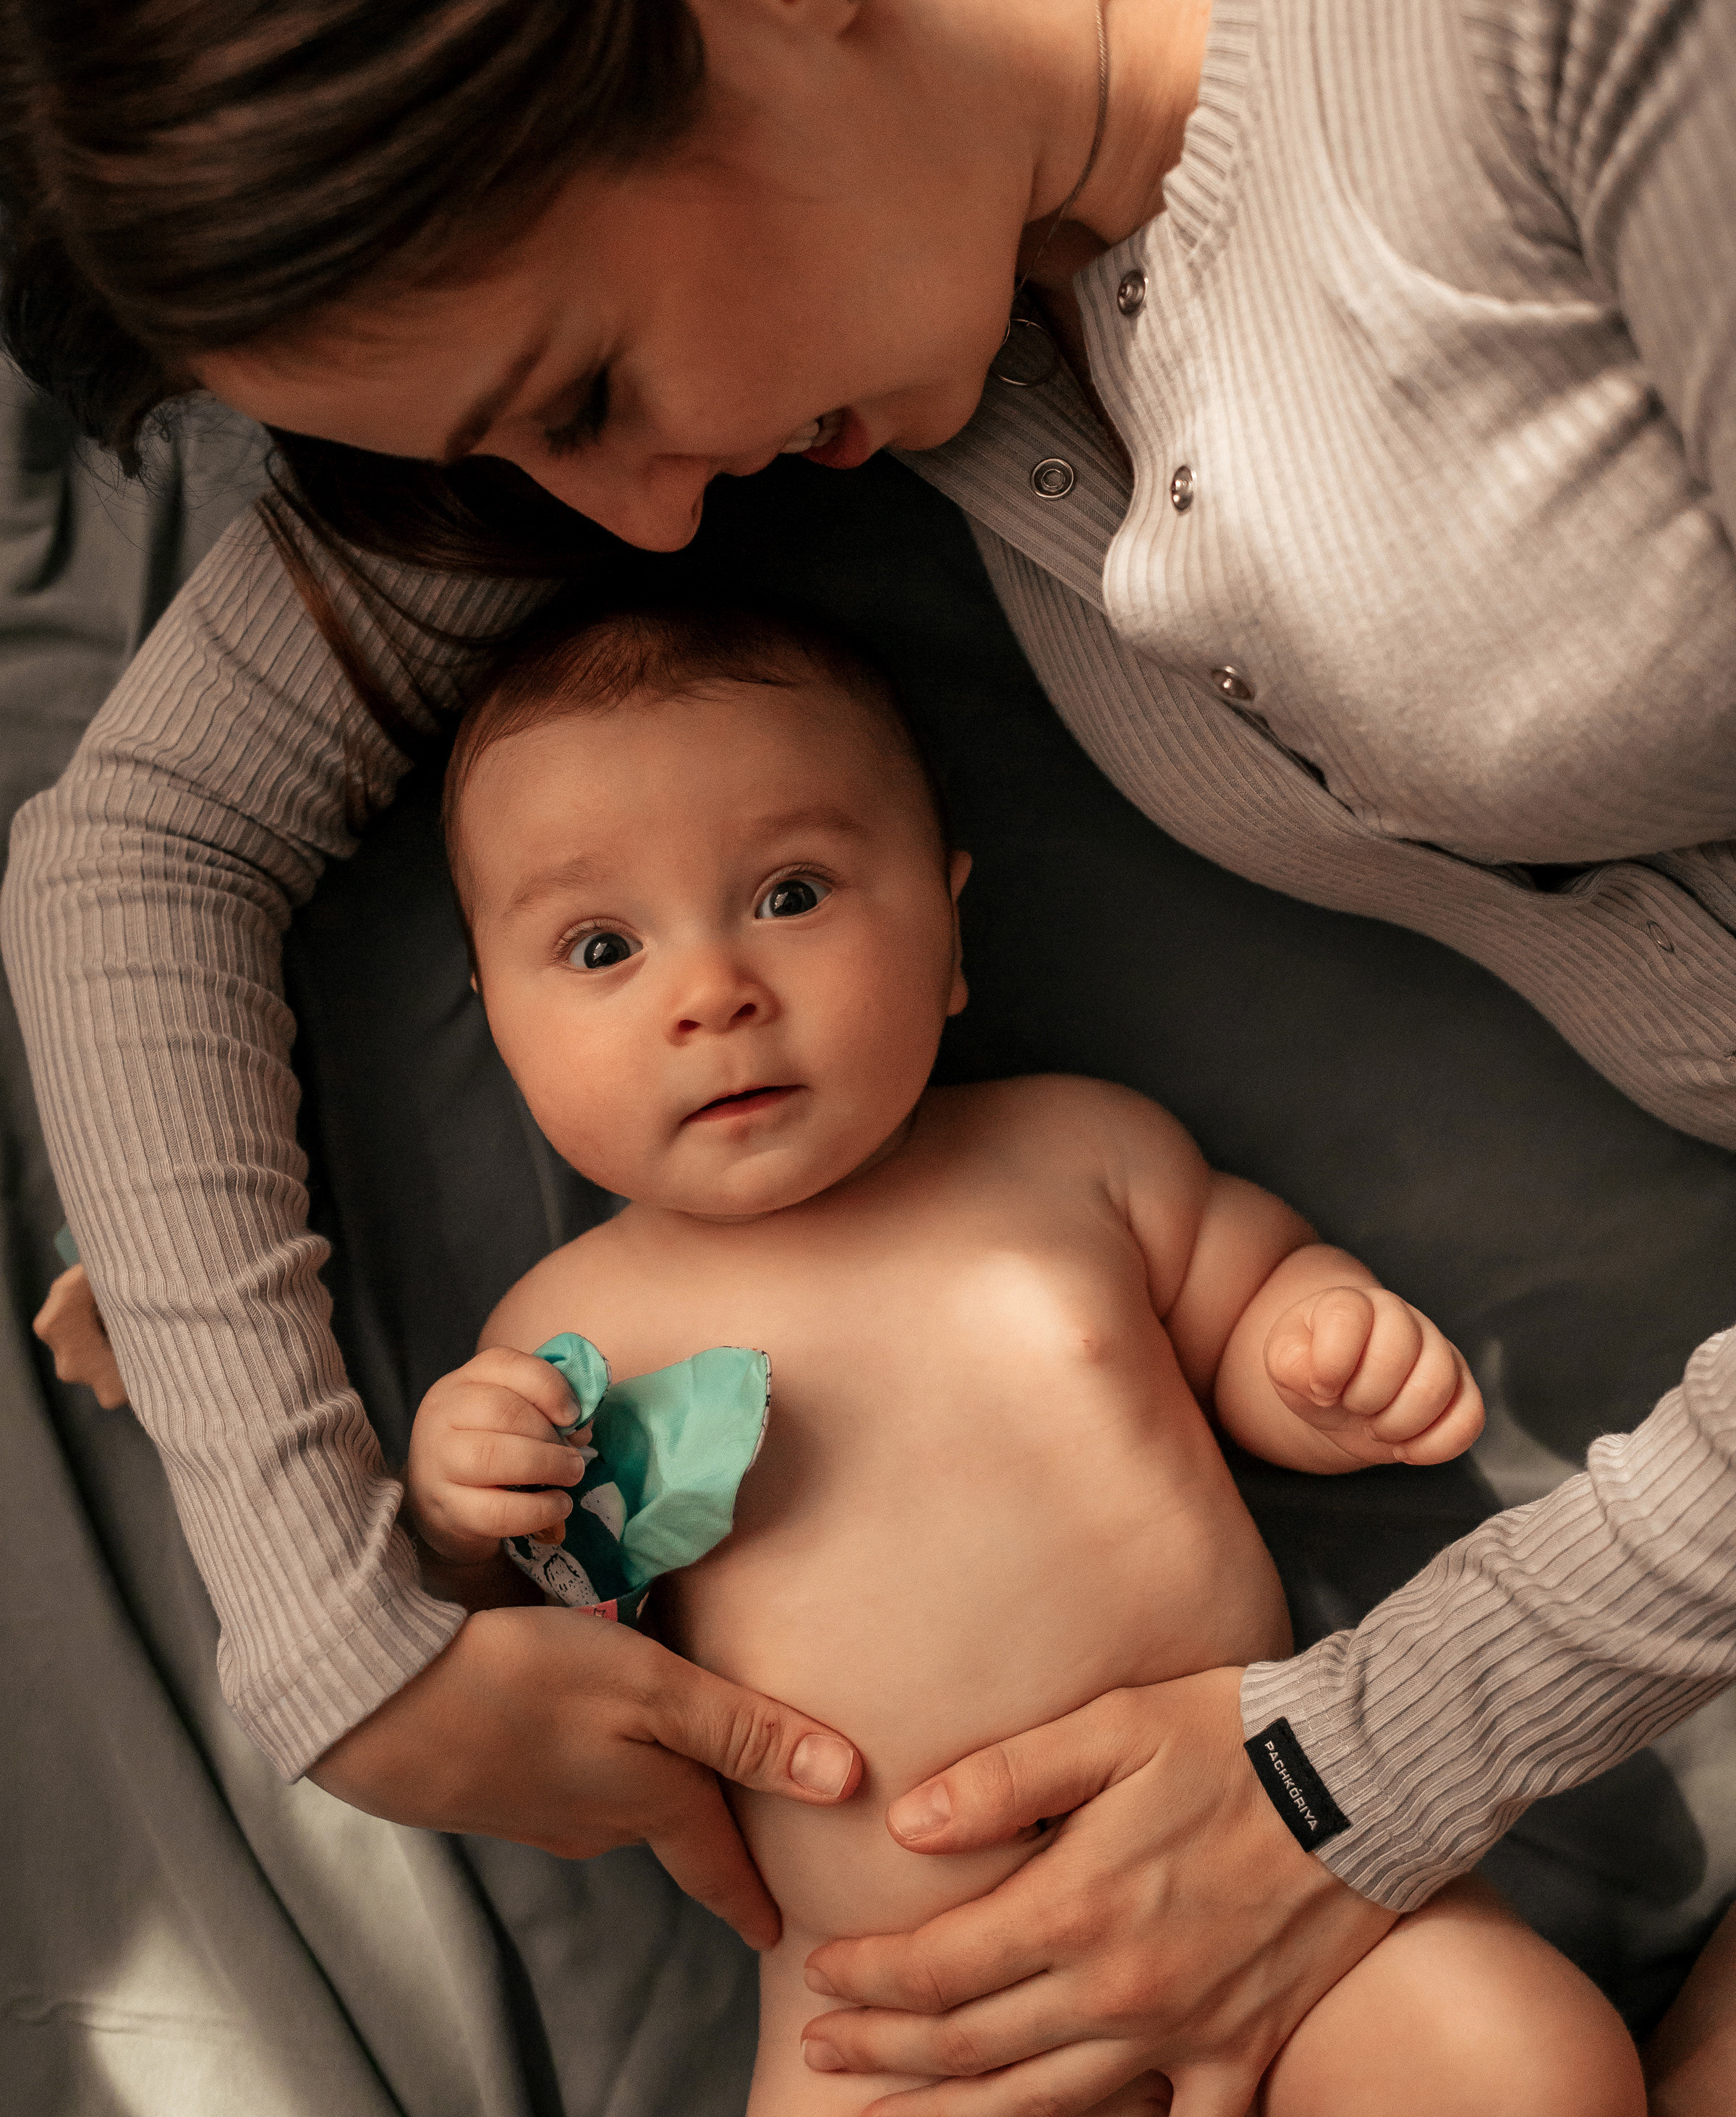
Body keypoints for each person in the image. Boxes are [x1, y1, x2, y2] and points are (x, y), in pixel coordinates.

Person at [4, 0, 1736, 2107]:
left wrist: (1358, 1759)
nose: (639, 525)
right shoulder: (899, 274)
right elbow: (135, 854)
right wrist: (344, 1632)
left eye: (580, 387)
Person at [403, 589, 1642, 2117]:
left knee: (1526, 2066)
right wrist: (466, 1515)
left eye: (791, 894)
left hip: (1297, 1891)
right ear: (497, 1020)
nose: (709, 991)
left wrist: (1320, 1355)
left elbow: (1242, 1296)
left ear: (948, 929)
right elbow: (534, 1651)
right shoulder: (557, 1332)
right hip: (900, 2014)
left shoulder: (1077, 1155)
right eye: (601, 946)